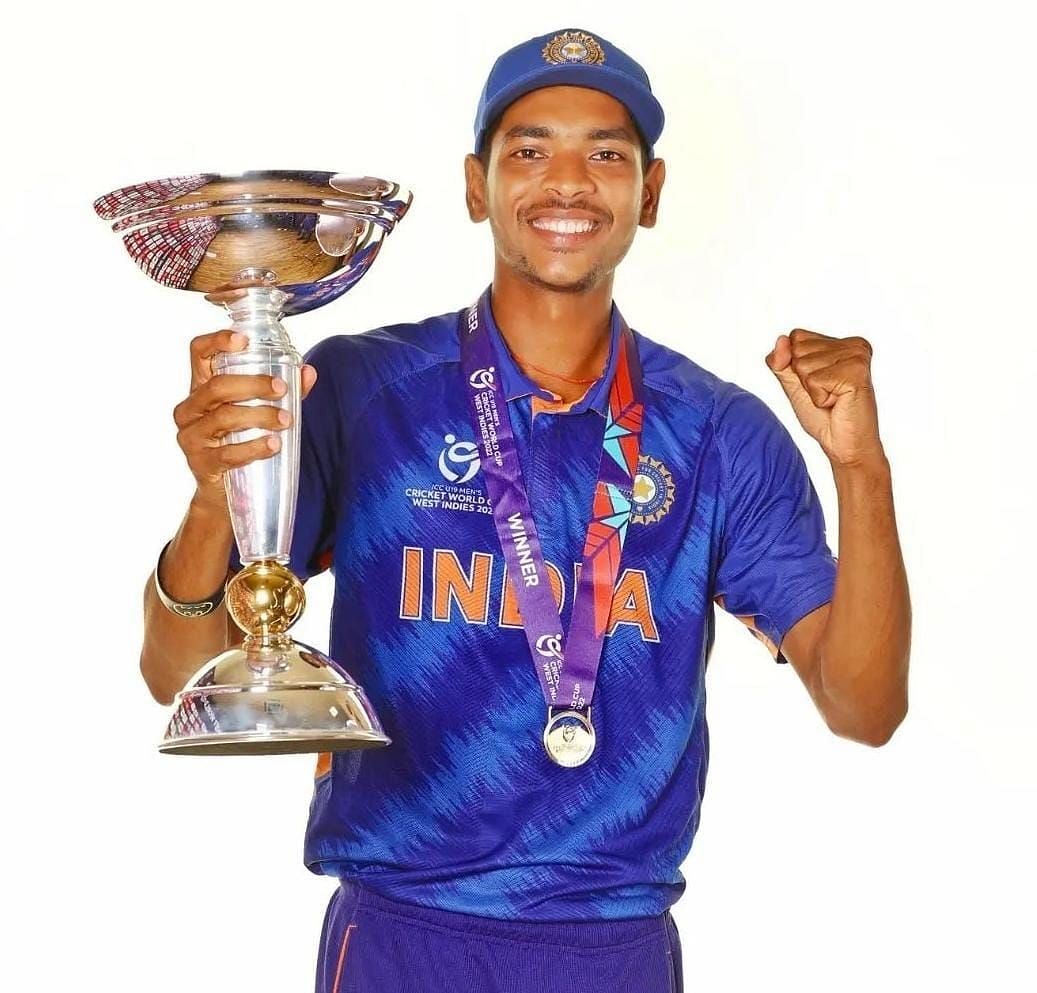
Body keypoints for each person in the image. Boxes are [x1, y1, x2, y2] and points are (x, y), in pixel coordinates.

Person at [139, 27, 911, 993]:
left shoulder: (714, 432)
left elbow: (865, 705)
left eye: (605, 153)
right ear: (476, 185)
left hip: (610, 943)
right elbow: (180, 672)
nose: (568, 181)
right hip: (400, 934)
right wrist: (218, 490)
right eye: (530, 149)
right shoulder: (362, 388)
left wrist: (860, 467)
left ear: (651, 191)